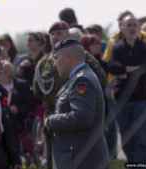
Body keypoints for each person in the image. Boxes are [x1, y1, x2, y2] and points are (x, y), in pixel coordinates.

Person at [33, 20, 106, 169]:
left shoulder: (82, 80)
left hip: (81, 160)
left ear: (67, 57)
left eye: (57, 59)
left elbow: (82, 117)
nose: (54, 64)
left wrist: (51, 121)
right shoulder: (74, 78)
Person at [106, 16, 146, 165]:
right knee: (127, 139)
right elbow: (111, 67)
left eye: (134, 25)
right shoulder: (116, 48)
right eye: (128, 25)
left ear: (139, 28)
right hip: (122, 100)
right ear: (123, 29)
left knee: (142, 140)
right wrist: (130, 69)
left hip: (142, 100)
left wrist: (124, 71)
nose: (132, 28)